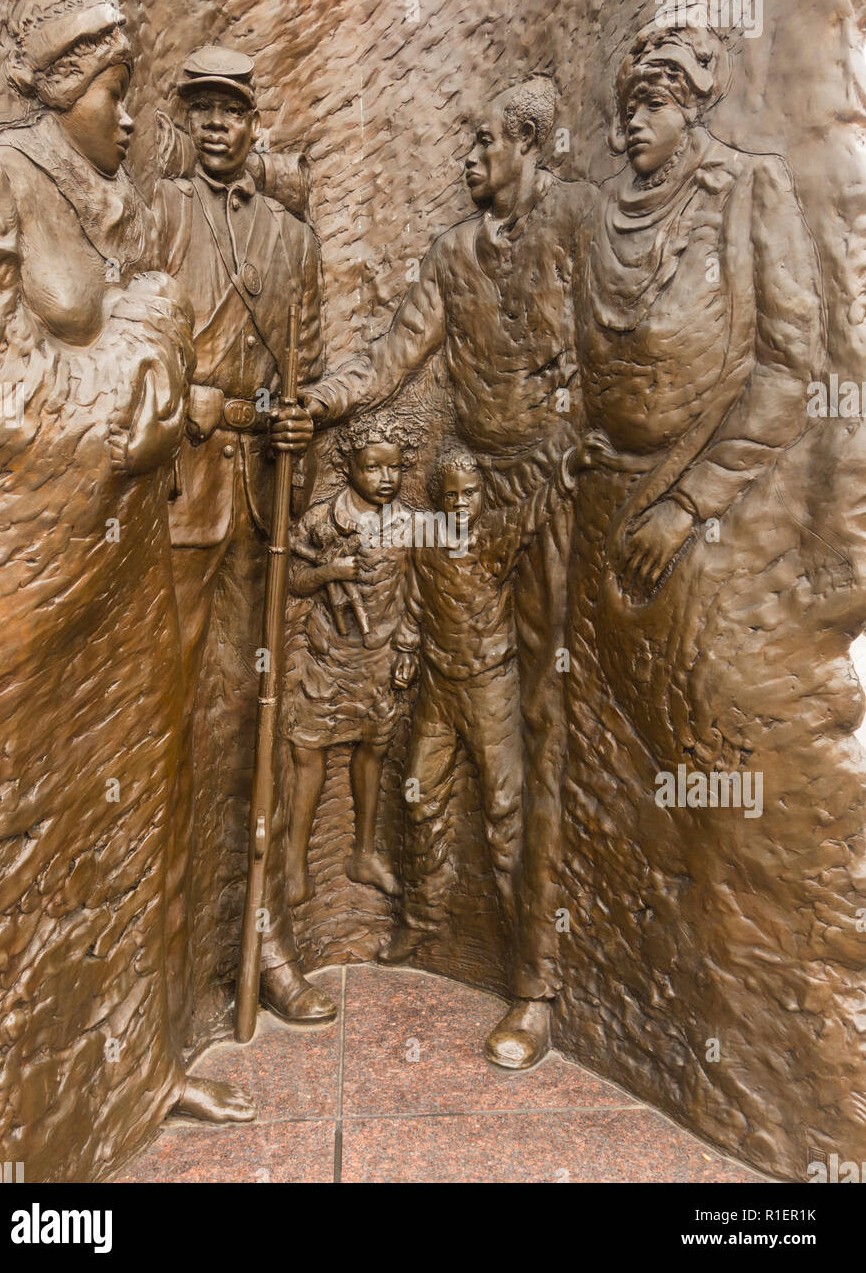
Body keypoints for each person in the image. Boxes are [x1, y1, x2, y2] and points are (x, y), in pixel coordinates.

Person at [562, 8, 866, 1164]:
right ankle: (626, 979)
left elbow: (789, 366)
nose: (629, 127)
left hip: (698, 523)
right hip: (603, 514)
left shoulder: (746, 194)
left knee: (711, 769)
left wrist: (687, 502)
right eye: (621, 109)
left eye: (647, 105)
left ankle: (738, 1018)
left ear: (689, 103)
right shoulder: (608, 211)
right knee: (619, 760)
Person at [0, 0, 251, 1182]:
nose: (130, 116)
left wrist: (152, 356)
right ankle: (12, 1130)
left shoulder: (115, 200)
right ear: (62, 84)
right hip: (33, 584)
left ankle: (139, 1067)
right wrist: (140, 356)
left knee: (144, 811)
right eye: (116, 90)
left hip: (128, 565)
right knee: (20, 844)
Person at [302, 76, 597, 1068]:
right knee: (455, 743)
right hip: (476, 492)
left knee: (538, 738)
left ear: (528, 145)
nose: (468, 159)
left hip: (551, 496)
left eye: (483, 142)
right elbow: (391, 356)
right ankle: (436, 927)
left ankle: (535, 985)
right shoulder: (451, 255)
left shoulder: (576, 223)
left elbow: (625, 337)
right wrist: (322, 401)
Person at [153, 45, 337, 1028]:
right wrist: (183, 396)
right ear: (187, 119)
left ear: (254, 121)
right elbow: (127, 344)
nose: (217, 123)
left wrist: (292, 428)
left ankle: (264, 940)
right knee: (181, 722)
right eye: (203, 109)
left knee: (258, 720)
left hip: (262, 505)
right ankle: (170, 960)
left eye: (231, 108)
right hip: (184, 496)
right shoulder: (158, 214)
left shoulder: (292, 241)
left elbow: (306, 369)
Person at [386, 442, 573, 988]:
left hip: (491, 689)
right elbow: (418, 600)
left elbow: (532, 513)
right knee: (417, 794)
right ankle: (421, 919)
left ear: (482, 495)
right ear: (437, 500)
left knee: (503, 811)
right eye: (450, 496)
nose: (461, 504)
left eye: (469, 493)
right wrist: (406, 647)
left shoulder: (493, 537)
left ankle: (522, 946)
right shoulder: (427, 544)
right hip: (438, 689)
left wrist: (563, 475)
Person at [282, 417, 418, 906]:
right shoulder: (321, 520)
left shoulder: (411, 526)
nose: (385, 478)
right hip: (327, 657)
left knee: (374, 748)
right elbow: (293, 580)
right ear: (349, 468)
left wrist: (407, 647)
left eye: (394, 468)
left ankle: (364, 853)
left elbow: (419, 591)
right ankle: (293, 865)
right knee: (307, 752)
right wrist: (329, 572)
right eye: (373, 467)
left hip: (379, 657)